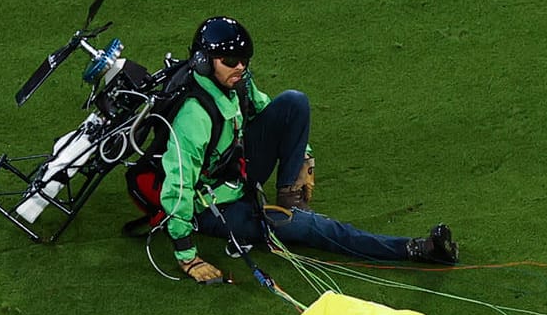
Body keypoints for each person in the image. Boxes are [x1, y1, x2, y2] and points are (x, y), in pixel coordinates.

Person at [161, 16, 458, 285]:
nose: (240, 66)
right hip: (215, 206)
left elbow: (270, 111)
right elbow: (179, 187)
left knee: (294, 102)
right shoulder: (193, 117)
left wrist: (304, 156)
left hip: (235, 171)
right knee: (313, 228)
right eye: (231, 59)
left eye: (245, 60)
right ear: (203, 61)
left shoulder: (236, 82)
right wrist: (189, 257)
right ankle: (416, 249)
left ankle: (290, 198)